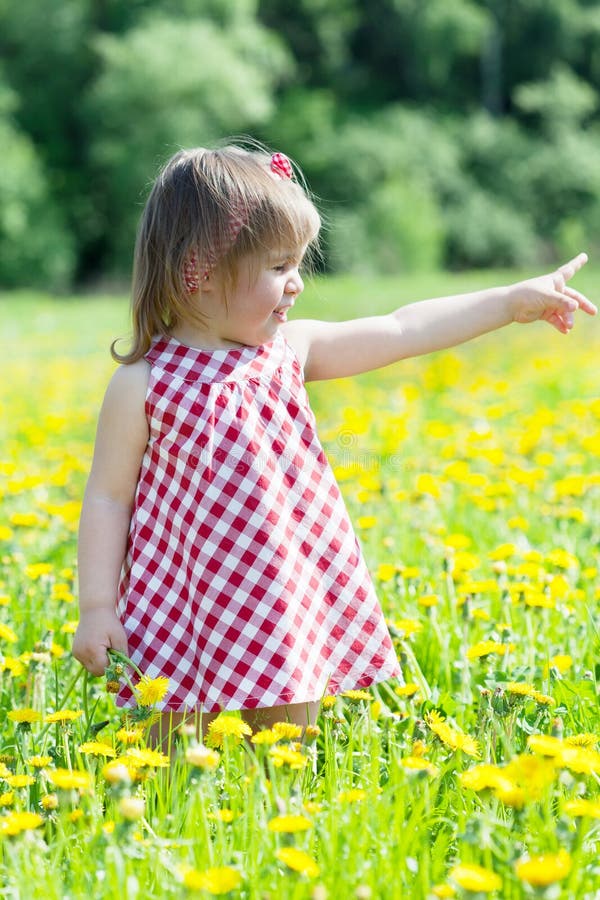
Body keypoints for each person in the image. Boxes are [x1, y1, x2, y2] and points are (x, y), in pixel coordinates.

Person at [72, 143, 596, 741]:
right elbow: (108, 499)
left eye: (297, 264)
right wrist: (97, 607)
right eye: (277, 268)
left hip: (281, 586)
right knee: (167, 746)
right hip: (184, 599)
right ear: (199, 269)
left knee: (286, 743)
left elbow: (402, 328)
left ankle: (278, 818)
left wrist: (510, 302)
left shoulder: (289, 351)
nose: (296, 284)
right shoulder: (143, 384)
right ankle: (168, 825)